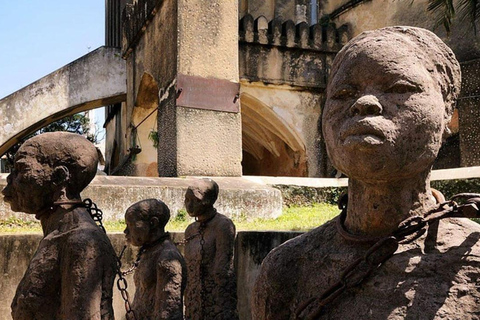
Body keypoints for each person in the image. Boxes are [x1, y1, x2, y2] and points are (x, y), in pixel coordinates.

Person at [252, 26, 480, 319]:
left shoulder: (470, 261)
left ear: (448, 110)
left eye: (399, 88)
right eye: (344, 93)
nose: (364, 103)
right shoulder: (284, 270)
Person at [2, 132, 117, 320]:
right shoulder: (60, 233)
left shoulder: (80, 242)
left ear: (58, 177)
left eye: (21, 170)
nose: (10, 180)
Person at [183, 178, 239, 320]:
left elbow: (224, 268)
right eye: (186, 199)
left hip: (216, 299)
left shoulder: (223, 226)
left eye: (194, 200)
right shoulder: (190, 230)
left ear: (208, 200)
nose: (189, 205)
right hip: (194, 299)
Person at [123, 199, 186, 320]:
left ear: (153, 223)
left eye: (130, 225)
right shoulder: (149, 252)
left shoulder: (167, 258)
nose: (126, 231)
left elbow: (169, 311)